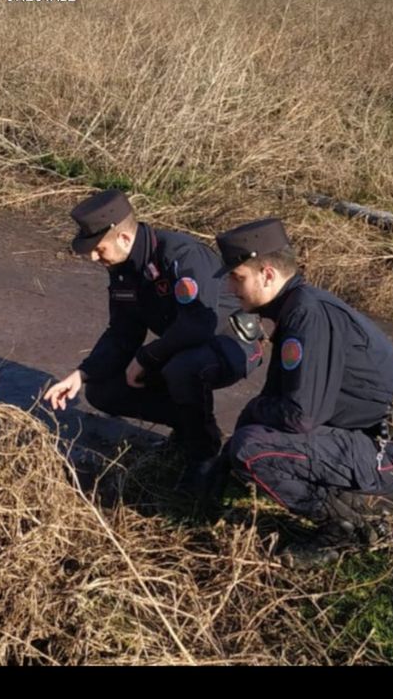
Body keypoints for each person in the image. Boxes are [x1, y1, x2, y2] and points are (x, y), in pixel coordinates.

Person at [215, 217, 393, 565]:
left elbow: (301, 417)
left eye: (237, 277)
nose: (230, 288)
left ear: (268, 274)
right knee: (251, 436)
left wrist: (245, 435)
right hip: (379, 438)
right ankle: (347, 508)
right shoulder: (296, 308)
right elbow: (277, 398)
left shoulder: (308, 315)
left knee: (252, 450)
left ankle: (346, 529)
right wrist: (223, 463)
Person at [43, 189, 263, 492]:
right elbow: (122, 332)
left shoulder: (180, 255)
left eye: (99, 248)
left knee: (183, 368)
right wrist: (82, 374)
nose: (94, 257)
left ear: (122, 238)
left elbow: (198, 324)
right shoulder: (123, 268)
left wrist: (147, 358)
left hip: (231, 344)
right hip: (179, 350)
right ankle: (188, 426)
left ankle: (204, 453)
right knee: (102, 390)